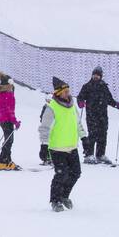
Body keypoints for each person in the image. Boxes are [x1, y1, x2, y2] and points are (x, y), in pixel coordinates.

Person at [38, 78, 85, 211]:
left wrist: (84, 137)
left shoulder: (72, 105)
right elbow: (44, 128)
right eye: (64, 91)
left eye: (68, 91)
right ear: (58, 93)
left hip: (72, 147)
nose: (67, 93)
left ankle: (64, 196)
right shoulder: (52, 107)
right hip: (57, 149)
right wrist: (44, 145)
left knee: (76, 173)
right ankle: (55, 200)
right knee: (61, 174)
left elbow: (78, 123)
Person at [76, 67, 119, 165]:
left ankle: (100, 155)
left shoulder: (104, 87)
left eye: (98, 75)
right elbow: (80, 97)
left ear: (101, 76)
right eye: (94, 74)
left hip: (103, 115)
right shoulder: (87, 86)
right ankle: (89, 155)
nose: (96, 76)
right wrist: (80, 102)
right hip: (91, 115)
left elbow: (109, 100)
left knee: (103, 134)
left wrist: (117, 105)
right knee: (92, 134)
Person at [0, 72, 20, 169]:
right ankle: (4, 162)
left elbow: (7, 108)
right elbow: (9, 109)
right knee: (9, 140)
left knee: (8, 140)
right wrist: (15, 121)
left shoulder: (0, 93)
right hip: (7, 119)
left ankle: (6, 161)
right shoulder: (7, 94)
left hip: (2, 118)